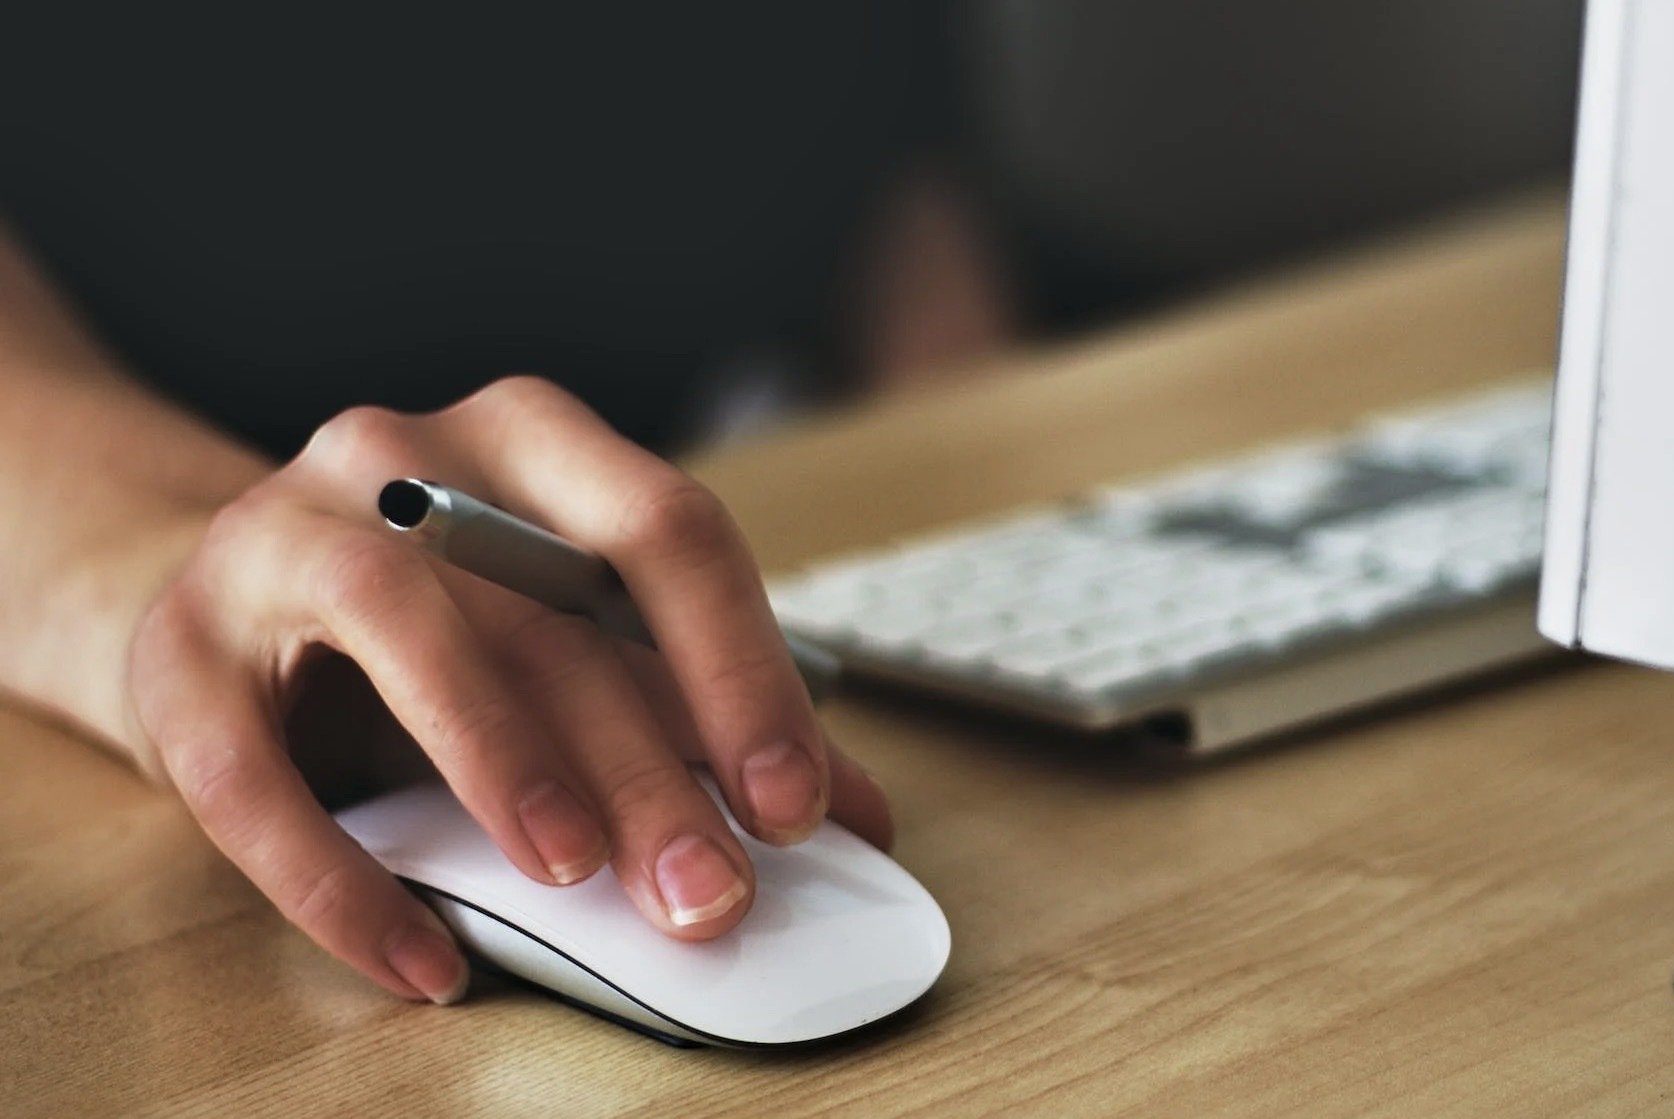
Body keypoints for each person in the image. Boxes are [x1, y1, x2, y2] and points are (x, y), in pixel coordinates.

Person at [0, 5, 1011, 1008]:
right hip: (203, 484)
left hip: (680, 551)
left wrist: (991, 541)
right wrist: (170, 570)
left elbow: (902, 176)